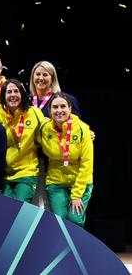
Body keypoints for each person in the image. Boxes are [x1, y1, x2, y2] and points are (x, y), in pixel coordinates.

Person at [37, 92, 93, 227]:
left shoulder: (82, 129)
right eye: (55, 107)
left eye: (63, 106)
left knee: (75, 220)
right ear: (49, 111)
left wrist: (77, 194)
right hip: (56, 183)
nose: (59, 110)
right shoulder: (44, 129)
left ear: (70, 109)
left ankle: (77, 248)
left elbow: (87, 163)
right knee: (60, 221)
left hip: (79, 183)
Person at [0, 79, 45, 203]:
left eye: (16, 91)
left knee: (19, 207)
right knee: (6, 209)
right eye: (9, 92)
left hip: (27, 172)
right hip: (2, 173)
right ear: (3, 95)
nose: (13, 95)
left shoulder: (35, 113)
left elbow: (50, 131)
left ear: (22, 94)